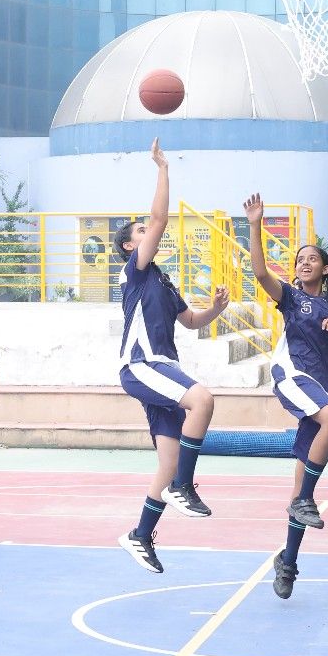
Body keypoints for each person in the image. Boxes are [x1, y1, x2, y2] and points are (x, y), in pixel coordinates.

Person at [245, 193, 328, 600]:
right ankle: (303, 503)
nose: (304, 262)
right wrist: (255, 224)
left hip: (319, 391)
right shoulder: (291, 297)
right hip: (292, 376)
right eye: (300, 258)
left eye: (312, 258)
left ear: (326, 268)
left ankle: (288, 561)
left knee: (302, 487)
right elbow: (259, 271)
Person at [115, 140, 231, 573]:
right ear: (130, 247)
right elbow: (160, 219)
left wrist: (215, 309)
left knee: (166, 464)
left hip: (163, 370)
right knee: (203, 400)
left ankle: (140, 534)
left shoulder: (162, 282)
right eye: (140, 232)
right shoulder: (135, 271)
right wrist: (162, 168)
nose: (148, 232)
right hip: (142, 365)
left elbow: (191, 321)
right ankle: (185, 485)